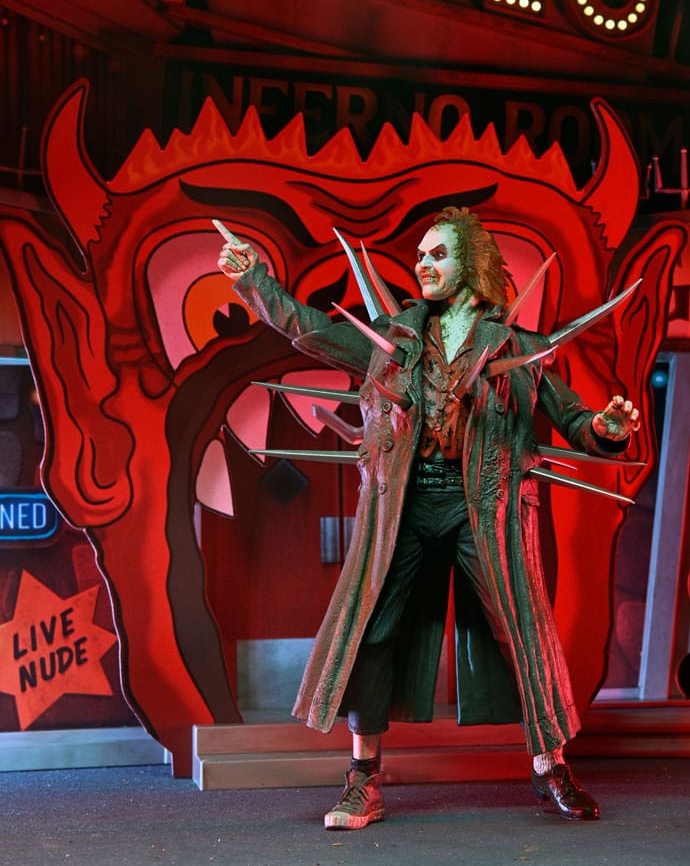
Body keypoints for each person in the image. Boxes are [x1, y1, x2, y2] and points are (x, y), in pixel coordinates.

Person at [218, 207, 640, 828]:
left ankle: (551, 767)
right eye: (420, 255)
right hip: (404, 505)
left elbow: (575, 420)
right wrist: (254, 280)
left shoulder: (519, 348)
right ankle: (363, 779)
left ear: (471, 266)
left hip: (484, 507)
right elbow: (307, 329)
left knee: (519, 630)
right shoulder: (392, 339)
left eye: (437, 254)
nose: (422, 264)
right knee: (374, 629)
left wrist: (607, 428)